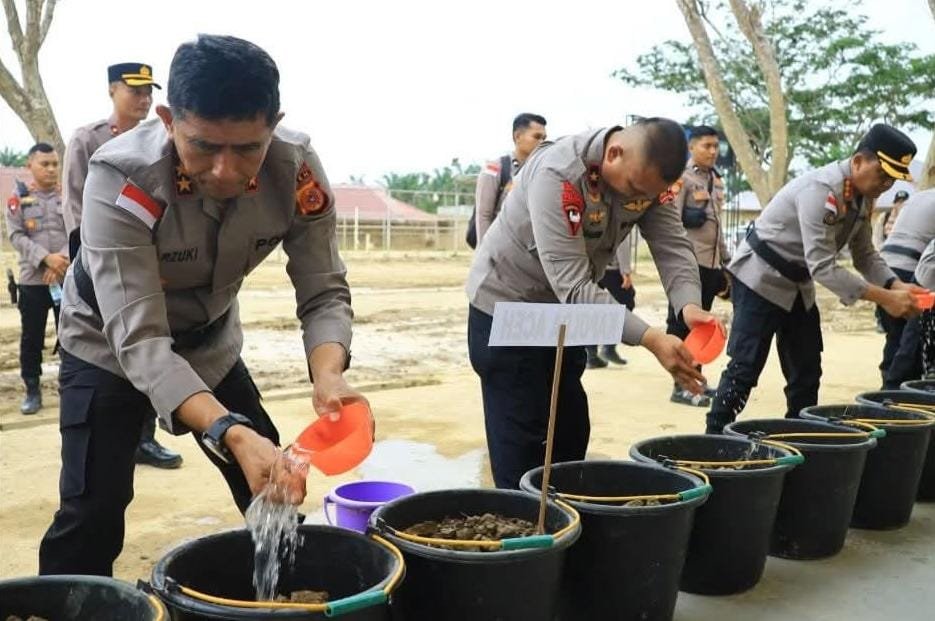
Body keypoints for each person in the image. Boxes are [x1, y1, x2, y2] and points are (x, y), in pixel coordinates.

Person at [39, 34, 362, 577]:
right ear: (168, 120)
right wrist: (227, 430)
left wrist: (328, 373)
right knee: (93, 508)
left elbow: (323, 287)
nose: (225, 171)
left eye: (248, 148)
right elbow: (140, 338)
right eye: (204, 146)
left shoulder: (296, 168)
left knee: (273, 481)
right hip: (108, 346)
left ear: (274, 125)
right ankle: (62, 602)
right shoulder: (122, 177)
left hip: (208, 341)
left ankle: (286, 595)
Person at [467, 118, 723, 489]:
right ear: (613, 153)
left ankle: (565, 520)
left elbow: (672, 245)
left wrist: (689, 305)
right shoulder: (558, 174)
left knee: (569, 434)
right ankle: (524, 523)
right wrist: (650, 337)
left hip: (566, 316)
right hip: (509, 309)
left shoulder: (649, 178)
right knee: (522, 446)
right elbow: (573, 285)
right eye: (634, 189)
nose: (637, 199)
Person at [705, 124, 926, 434]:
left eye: (893, 179)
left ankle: (801, 435)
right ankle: (715, 436)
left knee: (806, 370)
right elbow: (823, 266)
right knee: (745, 367)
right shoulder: (822, 190)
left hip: (798, 285)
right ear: (858, 161)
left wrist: (896, 285)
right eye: (882, 175)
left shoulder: (862, 196)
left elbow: (865, 254)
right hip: (760, 278)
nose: (886, 185)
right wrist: (885, 298)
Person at [61, 62, 182, 468]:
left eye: (149, 91)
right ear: (113, 90)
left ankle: (145, 438)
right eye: (135, 90)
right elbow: (75, 206)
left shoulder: (165, 139)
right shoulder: (88, 139)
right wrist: (95, 267)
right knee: (109, 353)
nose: (144, 98)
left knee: (152, 345)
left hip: (158, 267)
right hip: (105, 267)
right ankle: (111, 445)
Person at [664, 126, 732, 407]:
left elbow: (717, 227)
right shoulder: (681, 179)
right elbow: (669, 223)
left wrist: (726, 261)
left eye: (716, 146)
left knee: (701, 327)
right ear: (691, 147)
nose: (713, 151)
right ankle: (681, 386)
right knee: (681, 325)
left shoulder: (715, 180)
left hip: (711, 264)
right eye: (707, 146)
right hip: (688, 265)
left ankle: (696, 382)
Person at [5, 143, 67, 414]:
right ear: (29, 165)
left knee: (72, 335)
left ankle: (70, 385)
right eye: (45, 164)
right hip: (33, 281)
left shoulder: (68, 196)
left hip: (65, 278)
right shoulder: (18, 200)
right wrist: (46, 259)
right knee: (32, 338)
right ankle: (32, 390)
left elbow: (79, 229)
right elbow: (16, 235)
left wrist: (61, 260)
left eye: (55, 164)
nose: (51, 169)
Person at [879, 191, 935, 388]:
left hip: (884, 267)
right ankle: (895, 391)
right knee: (913, 342)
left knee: (896, 337)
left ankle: (888, 389)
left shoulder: (920, 196)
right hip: (915, 271)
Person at [467, 113, 547, 248]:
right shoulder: (495, 168)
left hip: (527, 249)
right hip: (499, 248)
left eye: (544, 138)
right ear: (518, 136)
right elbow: (484, 215)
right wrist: (484, 253)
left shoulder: (541, 173)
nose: (542, 143)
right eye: (537, 137)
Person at [585, 232, 636, 368]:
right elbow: (621, 241)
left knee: (590, 307)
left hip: (589, 266)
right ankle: (608, 347)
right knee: (626, 303)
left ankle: (591, 355)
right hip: (609, 267)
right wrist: (625, 271)